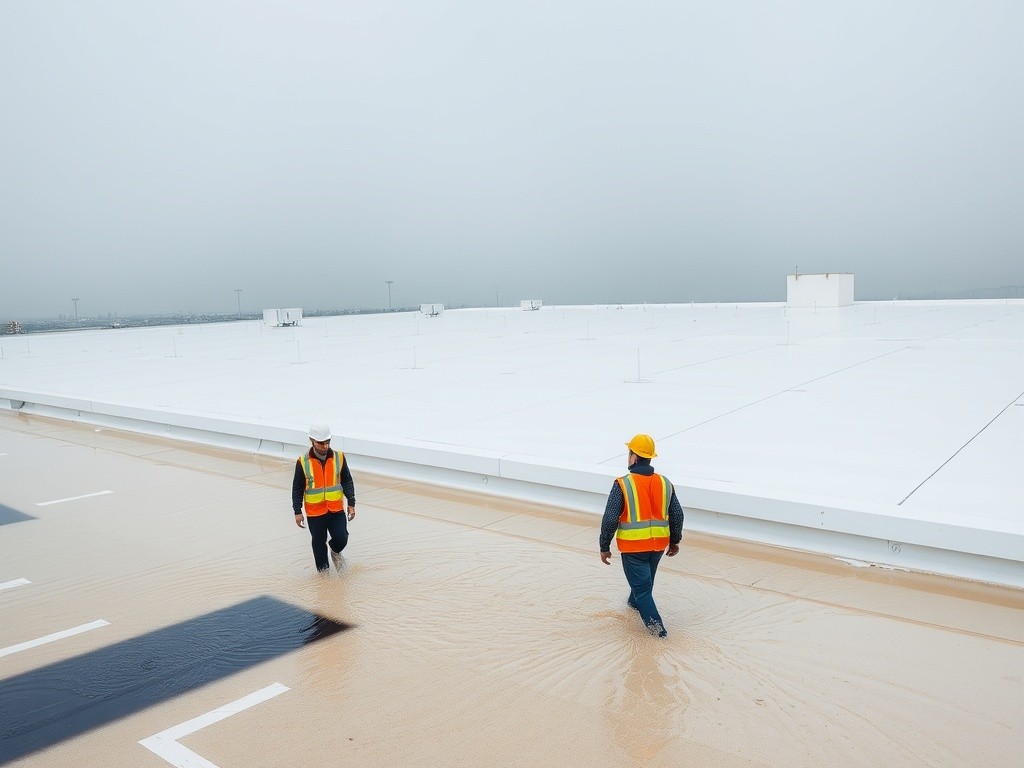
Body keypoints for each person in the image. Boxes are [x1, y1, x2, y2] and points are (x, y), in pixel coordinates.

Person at [600, 434, 684, 637]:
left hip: (634, 549)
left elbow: (610, 518)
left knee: (643, 589)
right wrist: (674, 541)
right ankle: (633, 604)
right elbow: (677, 515)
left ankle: (659, 635)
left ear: (634, 457)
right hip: (657, 547)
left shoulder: (623, 484)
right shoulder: (665, 483)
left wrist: (604, 546)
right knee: (643, 585)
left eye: (629, 453)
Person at [292, 424, 356, 572]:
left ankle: (335, 551)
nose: (325, 446)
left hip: (336, 510)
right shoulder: (303, 462)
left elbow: (347, 481)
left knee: (341, 538)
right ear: (312, 441)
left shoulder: (339, 458)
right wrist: (297, 511)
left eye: (327, 442)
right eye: (321, 443)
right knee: (319, 543)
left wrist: (351, 503)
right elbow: (297, 488)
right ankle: (324, 576)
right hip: (315, 513)